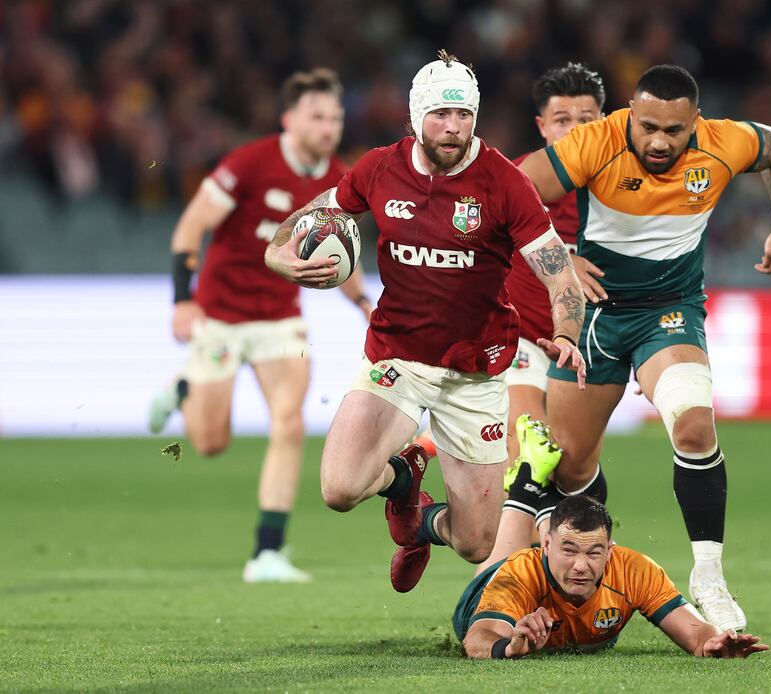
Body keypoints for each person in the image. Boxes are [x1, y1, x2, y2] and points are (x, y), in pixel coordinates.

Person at [264, 51, 587, 593]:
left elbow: (562, 278)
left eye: (464, 116)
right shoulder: (379, 168)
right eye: (441, 114)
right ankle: (402, 479)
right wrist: (279, 256)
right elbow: (314, 215)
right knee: (339, 489)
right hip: (396, 357)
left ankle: (421, 524)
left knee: (474, 543)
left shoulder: (504, 183)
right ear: (416, 115)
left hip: (475, 373)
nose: (453, 128)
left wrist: (565, 336)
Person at [518, 64, 771, 630]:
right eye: (647, 126)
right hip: (596, 318)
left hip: (668, 313)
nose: (658, 141)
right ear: (630, 113)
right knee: (570, 466)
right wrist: (559, 257)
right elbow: (513, 191)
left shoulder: (726, 143)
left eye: (673, 130)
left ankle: (708, 575)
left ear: (695, 121)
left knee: (694, 424)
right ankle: (573, 582)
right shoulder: (595, 141)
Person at [147, 68, 372, 583]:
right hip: (220, 319)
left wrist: (361, 302)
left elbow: (342, 254)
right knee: (209, 443)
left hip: (280, 321)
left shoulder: (338, 178)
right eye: (317, 116)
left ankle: (266, 551)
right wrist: (183, 302)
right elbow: (191, 226)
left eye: (335, 118)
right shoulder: (248, 163)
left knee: (290, 423)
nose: (328, 127)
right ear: (288, 119)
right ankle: (184, 387)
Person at [454, 427, 769, 659]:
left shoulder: (632, 569)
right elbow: (478, 639)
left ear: (611, 550)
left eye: (594, 552)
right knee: (499, 554)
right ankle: (526, 482)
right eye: (569, 551)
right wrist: (508, 648)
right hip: (489, 588)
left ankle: (541, 485)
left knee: (565, 527)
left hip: (550, 556)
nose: (581, 566)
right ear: (546, 547)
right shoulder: (519, 573)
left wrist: (711, 641)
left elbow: (695, 631)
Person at [475, 63, 606, 572]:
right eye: (561, 119)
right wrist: (560, 258)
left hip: (591, 346)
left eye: (586, 118)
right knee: (529, 451)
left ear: (607, 121)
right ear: (542, 126)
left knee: (573, 464)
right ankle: (507, 588)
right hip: (523, 338)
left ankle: (565, 569)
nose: (573, 129)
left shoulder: (621, 182)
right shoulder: (520, 178)